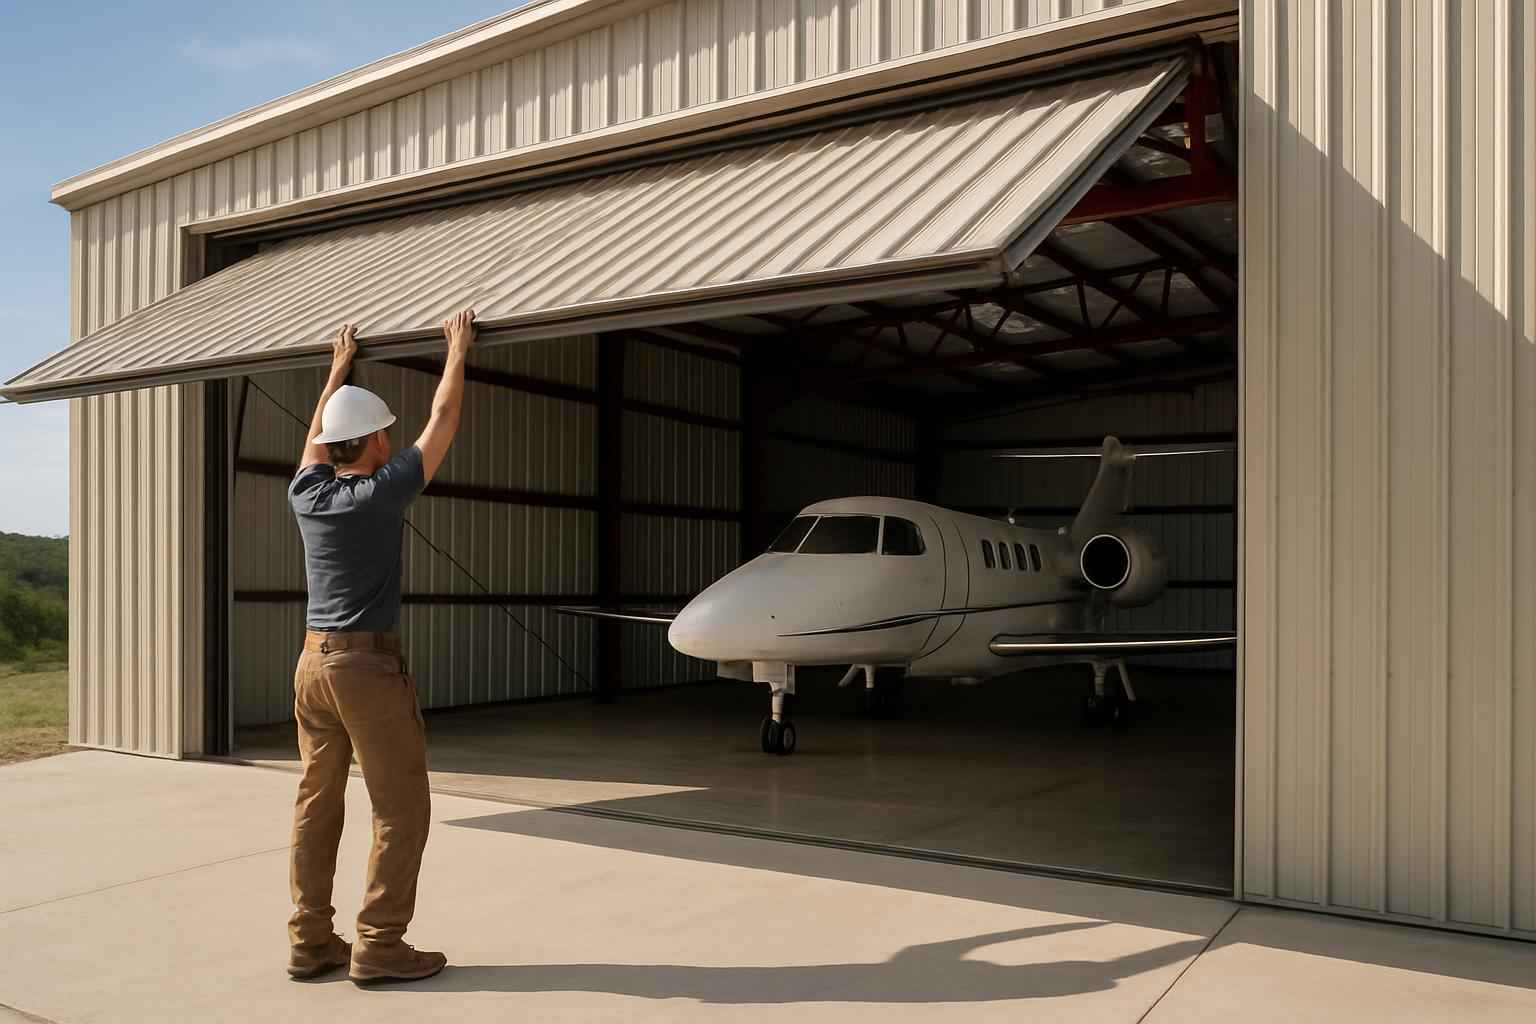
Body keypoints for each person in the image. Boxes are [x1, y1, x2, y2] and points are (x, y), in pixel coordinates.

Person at [284, 309, 477, 984]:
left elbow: (314, 440)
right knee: (401, 809)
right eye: (383, 434)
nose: (393, 439)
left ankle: (311, 942)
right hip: (367, 668)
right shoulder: (380, 492)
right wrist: (457, 352)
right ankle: (380, 945)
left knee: (316, 803)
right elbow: (444, 419)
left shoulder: (306, 491)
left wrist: (338, 371)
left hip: (313, 665)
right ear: (367, 443)